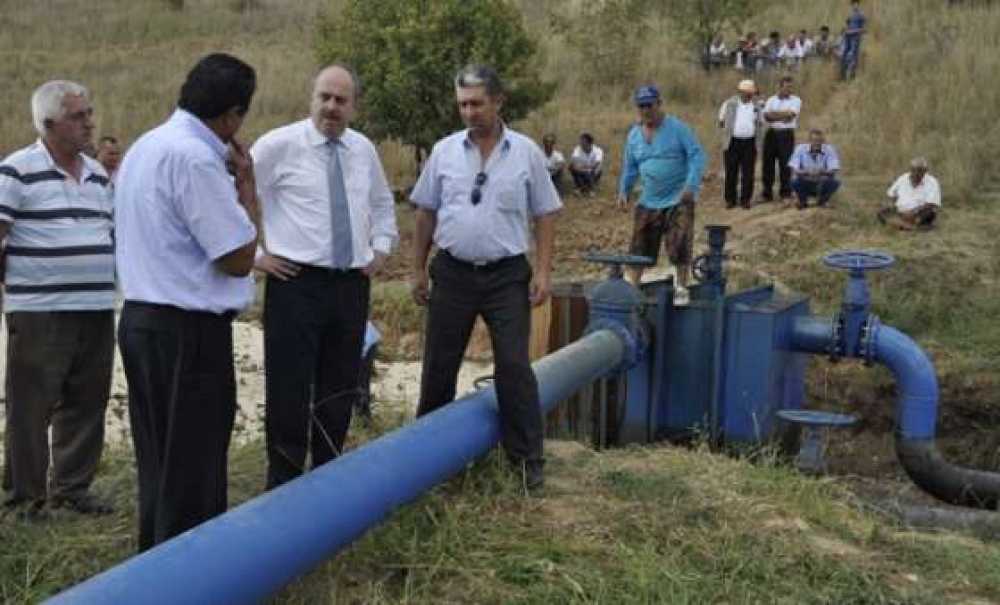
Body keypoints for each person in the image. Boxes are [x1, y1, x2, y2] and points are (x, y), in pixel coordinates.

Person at [115, 53, 259, 551]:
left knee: (159, 460)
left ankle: (153, 566)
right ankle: (191, 577)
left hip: (141, 320)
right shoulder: (196, 159)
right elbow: (237, 257)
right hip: (186, 332)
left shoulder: (145, 147)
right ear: (233, 116)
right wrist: (247, 187)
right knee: (193, 468)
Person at [410, 65, 561, 492]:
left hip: (507, 277)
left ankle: (527, 461)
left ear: (498, 101)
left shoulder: (527, 153)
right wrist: (417, 269)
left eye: (477, 103)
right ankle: (427, 461)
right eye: (462, 104)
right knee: (439, 365)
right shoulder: (443, 152)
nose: (469, 112)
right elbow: (425, 212)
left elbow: (546, 214)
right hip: (453, 273)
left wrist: (545, 271)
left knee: (514, 367)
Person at [251, 64, 399, 489]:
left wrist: (382, 248)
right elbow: (233, 200)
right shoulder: (278, 145)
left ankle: (328, 479)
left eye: (341, 100)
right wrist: (256, 255)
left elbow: (382, 203)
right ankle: (283, 486)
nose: (331, 107)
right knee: (289, 388)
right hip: (295, 282)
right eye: (325, 97)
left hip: (350, 284)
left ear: (354, 106)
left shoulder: (363, 149)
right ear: (311, 97)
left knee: (339, 386)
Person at [0, 80, 115, 519]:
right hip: (39, 311)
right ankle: (25, 500)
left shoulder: (98, 173)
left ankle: (72, 489)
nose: (89, 122)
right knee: (32, 407)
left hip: (96, 308)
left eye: (89, 113)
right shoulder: (17, 170)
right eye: (78, 116)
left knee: (88, 400)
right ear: (49, 124)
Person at [617, 85, 706, 290]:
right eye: (641, 106)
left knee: (679, 246)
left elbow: (696, 155)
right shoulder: (634, 136)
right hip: (649, 200)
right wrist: (624, 190)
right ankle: (632, 289)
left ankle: (681, 287)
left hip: (677, 198)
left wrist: (691, 185)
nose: (646, 110)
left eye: (649, 105)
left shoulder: (677, 128)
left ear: (659, 104)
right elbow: (630, 166)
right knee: (639, 249)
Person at [718, 79, 762, 209]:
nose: (750, 95)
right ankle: (730, 199)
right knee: (731, 171)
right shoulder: (729, 104)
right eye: (747, 93)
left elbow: (760, 123)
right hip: (733, 142)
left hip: (749, 142)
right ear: (741, 92)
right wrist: (729, 132)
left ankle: (745, 199)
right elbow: (721, 121)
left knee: (748, 172)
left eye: (751, 93)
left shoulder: (756, 106)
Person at [761, 76, 802, 203]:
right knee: (768, 163)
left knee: (785, 164)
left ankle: (785, 193)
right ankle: (767, 193)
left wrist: (775, 115)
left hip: (786, 134)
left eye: (791, 87)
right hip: (771, 134)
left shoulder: (796, 100)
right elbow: (767, 116)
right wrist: (782, 115)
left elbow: (791, 115)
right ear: (780, 87)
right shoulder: (771, 99)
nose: (789, 89)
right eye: (787, 87)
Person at [879, 157, 941, 230]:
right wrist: (891, 205)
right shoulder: (903, 178)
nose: (916, 173)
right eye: (914, 170)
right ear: (910, 170)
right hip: (900, 211)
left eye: (920, 170)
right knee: (882, 212)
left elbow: (931, 204)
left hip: (918, 213)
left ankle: (901, 225)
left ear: (925, 171)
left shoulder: (932, 182)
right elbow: (891, 194)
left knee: (929, 213)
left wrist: (913, 212)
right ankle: (912, 227)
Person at [789, 128, 841, 209]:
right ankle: (803, 201)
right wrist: (806, 172)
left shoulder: (830, 149)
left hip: (821, 181)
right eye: (814, 140)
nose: (817, 143)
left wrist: (821, 172)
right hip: (805, 180)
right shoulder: (800, 149)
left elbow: (834, 169)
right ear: (809, 140)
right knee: (794, 181)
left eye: (819, 140)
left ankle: (822, 201)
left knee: (835, 182)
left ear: (823, 141)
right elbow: (794, 169)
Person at [841, 0, 867, 80]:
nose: (854, 6)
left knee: (853, 56)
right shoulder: (850, 15)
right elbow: (846, 25)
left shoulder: (861, 15)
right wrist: (845, 31)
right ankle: (843, 75)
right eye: (853, 4)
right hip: (847, 37)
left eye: (856, 4)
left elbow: (864, 29)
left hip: (855, 38)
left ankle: (852, 75)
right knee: (844, 55)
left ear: (858, 5)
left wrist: (854, 31)